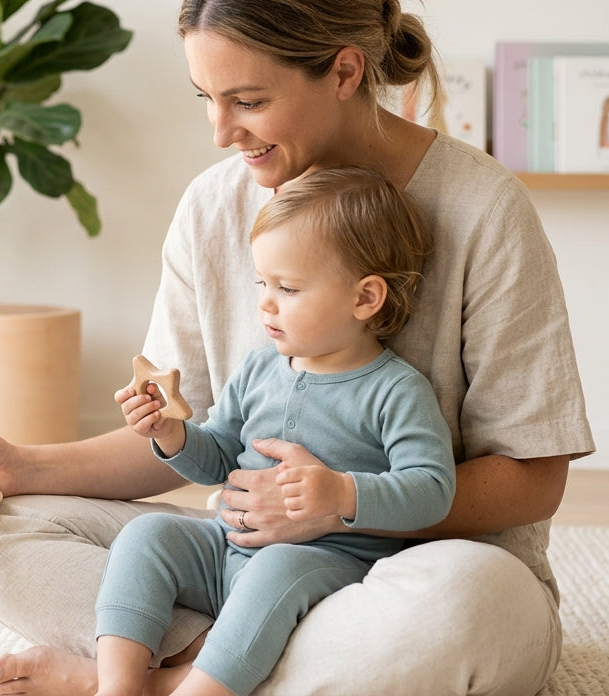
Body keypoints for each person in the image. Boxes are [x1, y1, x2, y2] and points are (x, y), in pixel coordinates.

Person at [0, 0, 596, 694]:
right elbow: (197, 432)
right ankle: (227, 668)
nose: (220, 132)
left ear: (345, 70)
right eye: (207, 99)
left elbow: (533, 478)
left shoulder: (482, 208)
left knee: (466, 609)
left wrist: (336, 507)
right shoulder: (215, 208)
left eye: (248, 101)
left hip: (418, 571)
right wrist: (24, 465)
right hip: (247, 564)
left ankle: (158, 679)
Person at [96, 167, 456, 696]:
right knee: (147, 536)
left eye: (287, 288)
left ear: (365, 299)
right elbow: (217, 455)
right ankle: (117, 687)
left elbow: (433, 489)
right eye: (262, 283)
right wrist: (172, 435)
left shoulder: (396, 390)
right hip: (227, 544)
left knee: (275, 571)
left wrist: (341, 493)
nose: (264, 302)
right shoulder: (260, 367)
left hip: (324, 561)